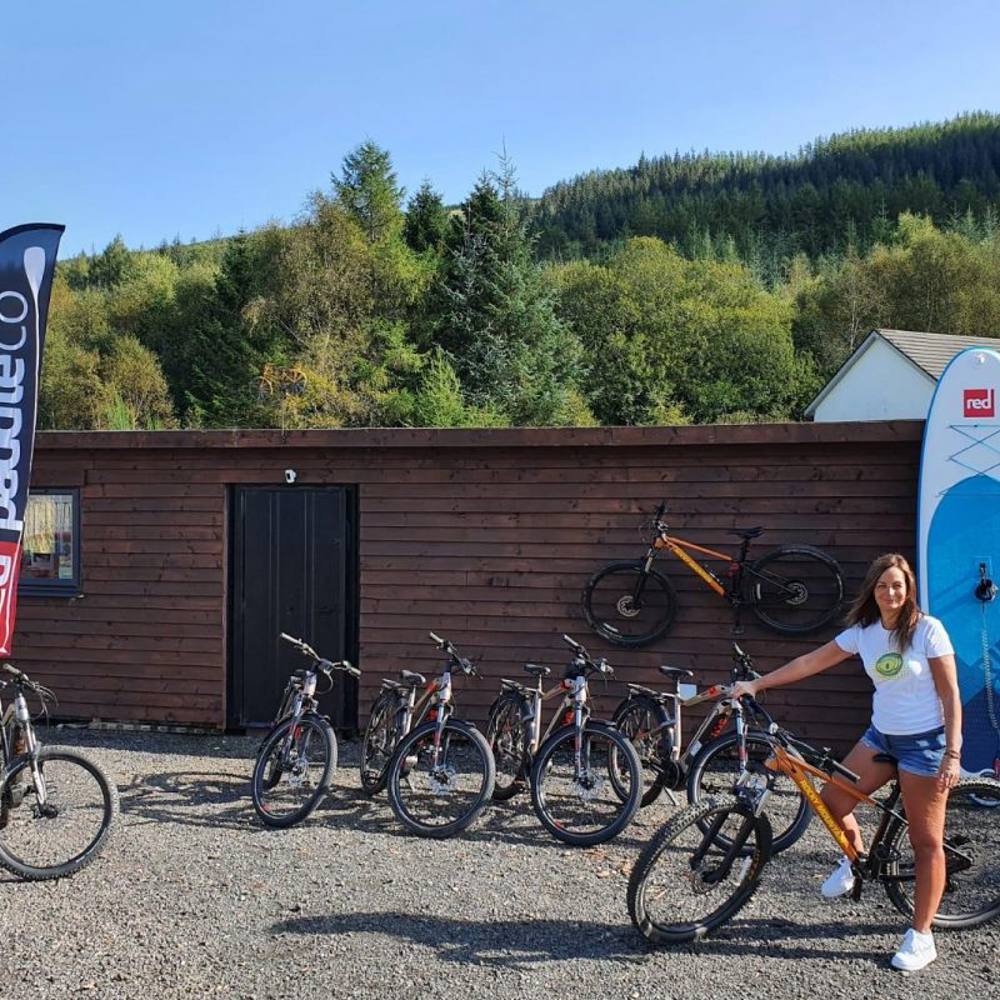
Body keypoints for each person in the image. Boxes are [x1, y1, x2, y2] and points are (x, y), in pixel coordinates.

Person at [732, 552, 962, 972]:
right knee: (832, 802)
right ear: (872, 591)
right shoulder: (864, 633)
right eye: (882, 586)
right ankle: (853, 859)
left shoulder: (928, 630)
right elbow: (810, 662)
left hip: (925, 744)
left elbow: (950, 694)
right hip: (881, 736)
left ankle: (922, 936)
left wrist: (953, 753)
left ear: (908, 589)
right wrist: (758, 684)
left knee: (925, 842)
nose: (890, 593)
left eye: (897, 585)